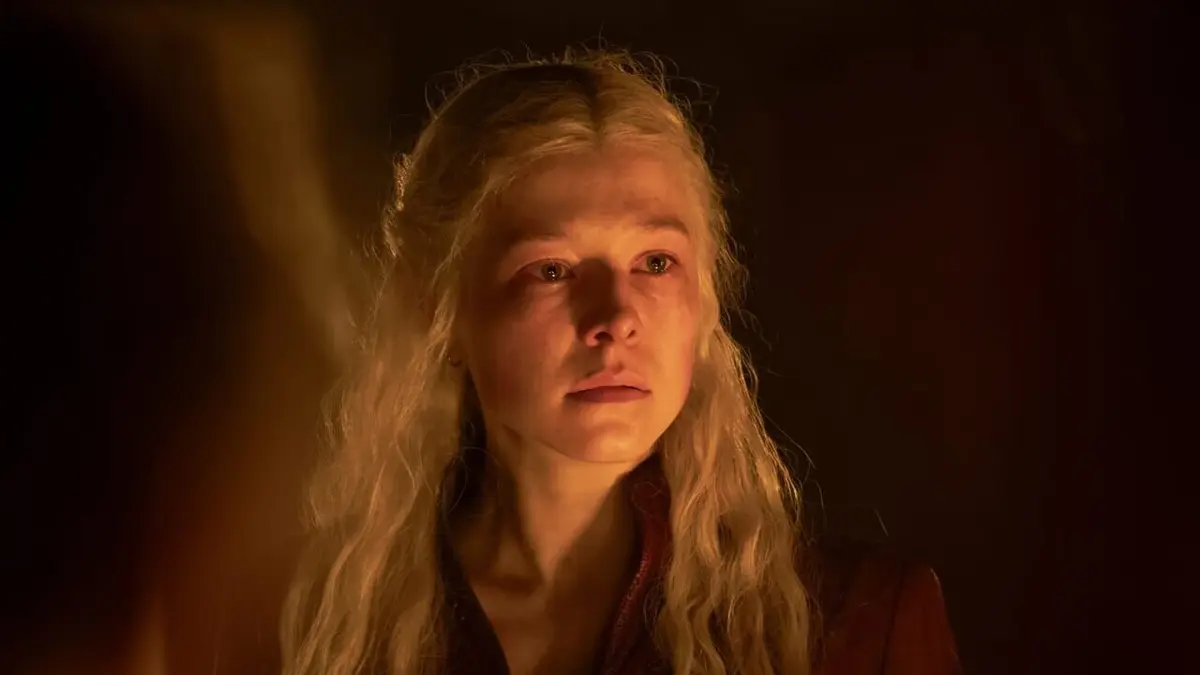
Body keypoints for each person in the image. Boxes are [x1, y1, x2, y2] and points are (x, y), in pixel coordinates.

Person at [264, 49, 961, 675]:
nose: (615, 318)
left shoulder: (858, 627)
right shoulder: (305, 628)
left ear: (704, 303)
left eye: (655, 262)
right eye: (552, 269)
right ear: (438, 312)